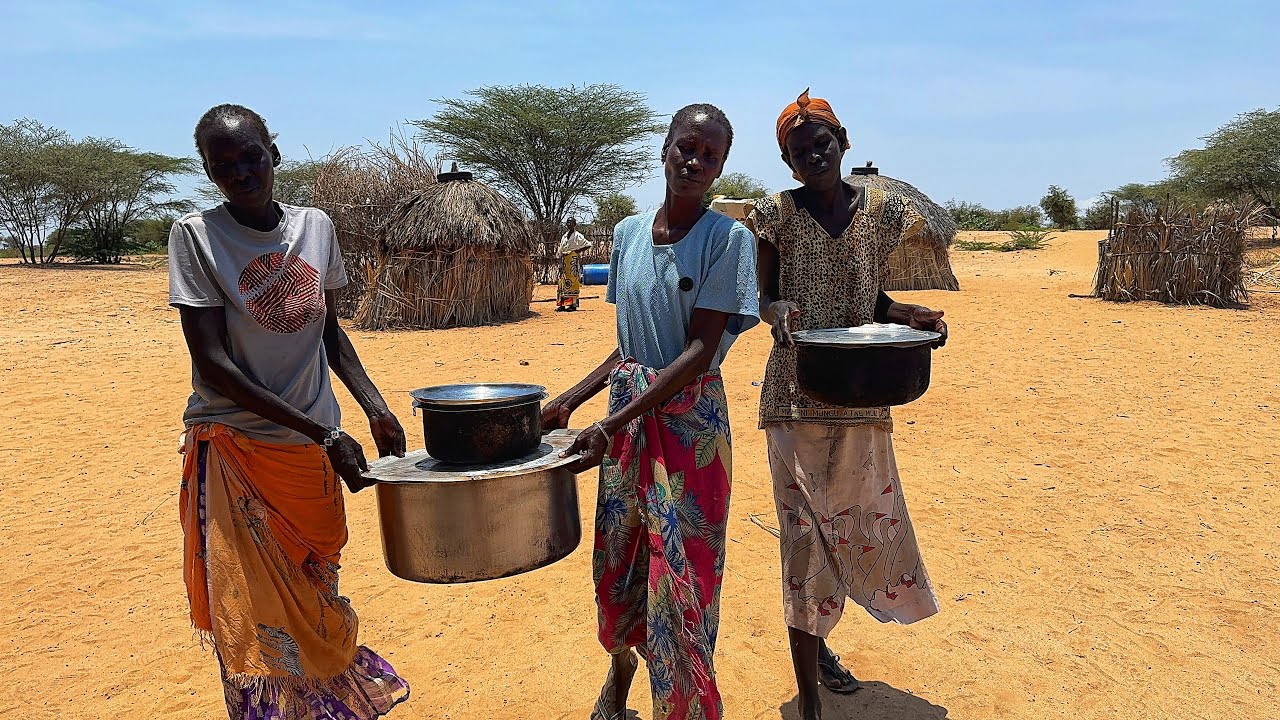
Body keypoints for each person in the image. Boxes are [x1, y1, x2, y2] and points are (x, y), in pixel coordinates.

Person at [169, 103, 410, 719]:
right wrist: (325, 432)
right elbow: (213, 363)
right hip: (238, 450)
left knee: (314, 585)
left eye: (251, 156)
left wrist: (374, 406)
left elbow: (328, 332)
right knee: (255, 611)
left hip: (307, 450)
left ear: (273, 154)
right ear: (208, 171)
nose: (241, 173)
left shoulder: (315, 228)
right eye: (223, 165)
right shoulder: (196, 237)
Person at [543, 104, 759, 720]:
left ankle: (683, 706)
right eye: (686, 147)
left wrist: (607, 425)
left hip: (691, 430)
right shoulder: (628, 235)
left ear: (720, 169)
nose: (694, 162)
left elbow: (696, 353)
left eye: (710, 156)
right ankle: (618, 676)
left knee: (685, 571)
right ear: (664, 148)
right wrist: (570, 401)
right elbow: (631, 346)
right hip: (628, 419)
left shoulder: (727, 241)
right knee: (620, 557)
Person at [750, 90, 947, 720]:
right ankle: (809, 698)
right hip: (795, 397)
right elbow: (763, 296)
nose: (813, 156)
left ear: (844, 142)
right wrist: (777, 311)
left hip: (863, 395)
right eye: (799, 151)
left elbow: (871, 298)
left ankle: (821, 649)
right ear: (787, 161)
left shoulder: (880, 215)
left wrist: (908, 313)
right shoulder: (775, 216)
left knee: (852, 531)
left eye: (822, 144)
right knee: (804, 541)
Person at [556, 216, 592, 311]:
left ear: (575, 224)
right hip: (564, 260)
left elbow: (588, 244)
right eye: (567, 222)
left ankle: (572, 305)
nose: (569, 224)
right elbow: (561, 249)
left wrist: (577, 251)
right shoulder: (564, 236)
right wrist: (560, 260)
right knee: (562, 281)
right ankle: (562, 304)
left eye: (571, 222)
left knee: (573, 281)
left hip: (572, 260)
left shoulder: (577, 236)